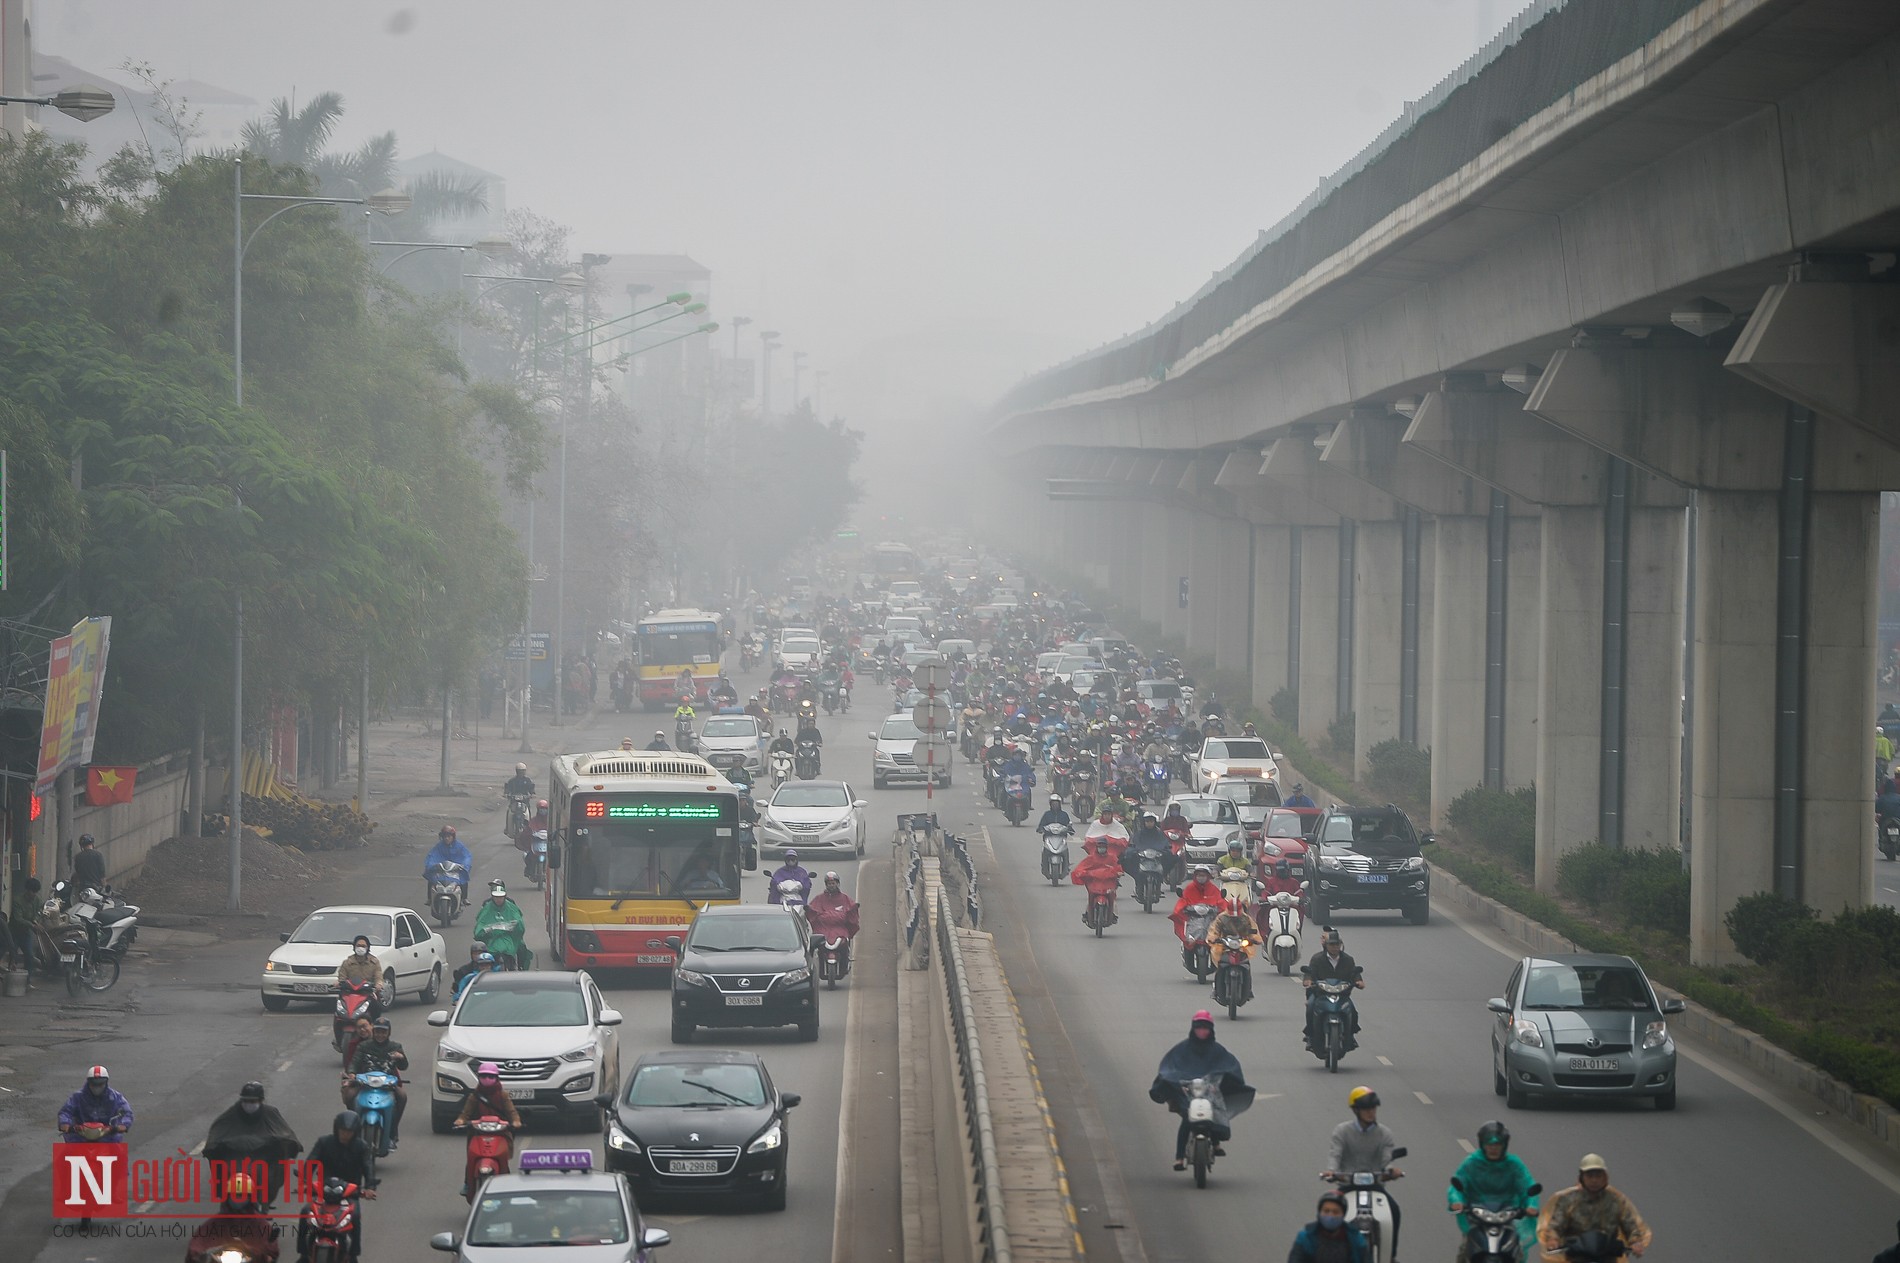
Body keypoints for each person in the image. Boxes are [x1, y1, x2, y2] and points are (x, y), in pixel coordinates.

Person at [1149, 1010, 1253, 1171]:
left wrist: (1218, 1083)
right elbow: (1169, 1069)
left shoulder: (1217, 1050)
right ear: (1193, 1029)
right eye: (1199, 1028)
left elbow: (1229, 1067)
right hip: (1188, 1094)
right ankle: (1179, 1158)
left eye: (1205, 1028)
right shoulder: (1182, 1049)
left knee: (1216, 1112)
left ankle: (1216, 1142)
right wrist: (1179, 1083)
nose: (1202, 1031)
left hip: (1210, 1094)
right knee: (1186, 1120)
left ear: (1211, 1030)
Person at [1324, 1087, 1403, 1258]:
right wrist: (1331, 1172)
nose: (1371, 1112)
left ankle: (1391, 1256)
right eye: (1366, 1109)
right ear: (1356, 1110)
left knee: (1394, 1211)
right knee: (1328, 1213)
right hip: (1347, 1185)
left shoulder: (1384, 1134)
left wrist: (1391, 1171)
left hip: (1375, 1186)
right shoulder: (1342, 1131)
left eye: (1373, 1108)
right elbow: (1335, 1154)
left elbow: (1386, 1159)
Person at [1536, 1153, 1651, 1261]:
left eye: (1598, 1176)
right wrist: (1553, 1240)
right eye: (1589, 1176)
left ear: (1605, 1177)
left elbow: (1630, 1224)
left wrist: (1635, 1242)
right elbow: (1556, 1224)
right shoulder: (1568, 1200)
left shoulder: (1616, 1200)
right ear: (1582, 1177)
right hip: (1577, 1256)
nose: (1594, 1180)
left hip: (1608, 1256)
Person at [204, 1081, 303, 1205]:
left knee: (271, 1173)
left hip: (262, 1157)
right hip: (236, 1158)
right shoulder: (231, 1114)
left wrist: (278, 1144)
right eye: (246, 1101)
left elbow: (285, 1134)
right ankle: (225, 1198)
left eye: (253, 1102)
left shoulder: (270, 1113)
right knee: (225, 1170)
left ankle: (264, 1203)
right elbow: (217, 1133)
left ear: (260, 1101)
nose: (248, 1105)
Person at [1447, 1121, 1539, 1252]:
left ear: (1504, 1145)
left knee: (1517, 1250)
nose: (1493, 1148)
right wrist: (1457, 1201)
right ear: (1483, 1145)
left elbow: (1528, 1186)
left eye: (1497, 1144)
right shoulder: (1472, 1163)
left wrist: (1531, 1206)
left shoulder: (1514, 1164)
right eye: (1489, 1144)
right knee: (1466, 1249)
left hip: (1507, 1214)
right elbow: (1456, 1186)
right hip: (1477, 1214)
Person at [302, 1112, 377, 1257]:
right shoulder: (324, 1142)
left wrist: (369, 1188)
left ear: (355, 1132)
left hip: (349, 1193)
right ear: (336, 1129)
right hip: (324, 1191)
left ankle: (354, 1254)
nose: (345, 1135)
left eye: (348, 1132)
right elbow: (311, 1162)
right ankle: (303, 1253)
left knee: (355, 1216)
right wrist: (304, 1181)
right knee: (306, 1212)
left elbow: (368, 1167)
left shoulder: (362, 1146)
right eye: (342, 1131)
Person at [453, 1063, 523, 1197]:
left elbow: (512, 1112)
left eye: (490, 1076)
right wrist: (461, 1120)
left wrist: (515, 1121)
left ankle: (505, 1181)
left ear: (496, 1078)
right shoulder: (474, 1096)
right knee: (472, 1158)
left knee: (503, 1159)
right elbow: (465, 1113)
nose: (487, 1079)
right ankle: (468, 1183)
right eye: (484, 1076)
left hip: (500, 1131)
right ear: (479, 1077)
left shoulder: (503, 1095)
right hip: (478, 1132)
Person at [343, 1018, 410, 1149]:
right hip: (365, 1084)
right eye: (378, 1031)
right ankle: (354, 1127)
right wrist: (351, 1073)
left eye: (383, 1032)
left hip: (388, 1086)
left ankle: (392, 1133)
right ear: (373, 1032)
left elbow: (404, 1066)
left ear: (388, 1033)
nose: (380, 1035)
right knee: (349, 1096)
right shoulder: (363, 1046)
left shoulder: (395, 1047)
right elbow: (354, 1062)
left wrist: (401, 1057)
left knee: (402, 1097)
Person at [1303, 928, 1362, 1042]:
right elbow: (1309, 973)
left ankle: (1350, 1035)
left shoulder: (1348, 960)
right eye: (1332, 944)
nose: (1335, 947)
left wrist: (1359, 981)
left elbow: (1354, 973)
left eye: (1337, 944)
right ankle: (1310, 1034)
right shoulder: (1317, 959)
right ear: (1326, 945)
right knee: (1310, 1007)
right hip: (1320, 994)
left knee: (1353, 1011)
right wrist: (1308, 981)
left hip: (1342, 994)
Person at [1288, 1191, 1371, 1263]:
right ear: (1319, 1213)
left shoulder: (1355, 1238)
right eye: (1326, 1211)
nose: (1330, 1216)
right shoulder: (1306, 1238)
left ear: (1343, 1215)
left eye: (1336, 1212)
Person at [58, 1065, 132, 1143]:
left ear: (106, 1082)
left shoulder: (115, 1097)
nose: (97, 1088)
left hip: (108, 1137)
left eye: (100, 1085)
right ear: (89, 1083)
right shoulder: (78, 1097)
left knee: (119, 1152)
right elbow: (66, 1111)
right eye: (93, 1085)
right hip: (80, 1137)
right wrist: (65, 1123)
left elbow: (126, 1112)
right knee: (65, 1153)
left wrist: (123, 1125)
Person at [474, 883, 532, 971]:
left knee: (522, 947)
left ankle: (521, 967)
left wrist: (514, 926)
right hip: (491, 939)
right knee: (477, 949)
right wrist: (486, 930)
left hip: (509, 937)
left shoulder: (511, 906)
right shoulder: (486, 907)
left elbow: (519, 921)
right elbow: (480, 923)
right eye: (496, 897)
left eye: (500, 897)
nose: (498, 899)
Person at [1170, 865, 1227, 951]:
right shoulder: (1189, 888)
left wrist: (1215, 909)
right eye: (1199, 875)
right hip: (1193, 918)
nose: (1201, 877)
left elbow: (1221, 903)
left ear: (1207, 876)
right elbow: (1182, 902)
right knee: (1187, 941)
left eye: (1203, 875)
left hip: (1210, 918)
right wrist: (1187, 909)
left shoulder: (1213, 889)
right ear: (1195, 876)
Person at [807, 872, 861, 953]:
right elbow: (812, 910)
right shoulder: (819, 898)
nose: (831, 885)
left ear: (837, 884)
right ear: (826, 885)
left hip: (840, 931)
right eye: (829, 883)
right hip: (823, 930)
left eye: (833, 883)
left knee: (844, 948)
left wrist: (853, 908)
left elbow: (852, 911)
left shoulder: (845, 898)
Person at [336, 935, 386, 1022]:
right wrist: (338, 983)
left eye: (363, 946)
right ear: (354, 947)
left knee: (377, 1008)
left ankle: (373, 1028)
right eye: (358, 945)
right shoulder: (347, 963)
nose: (360, 948)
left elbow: (378, 976)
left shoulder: (374, 962)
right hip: (349, 994)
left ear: (368, 948)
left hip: (367, 994)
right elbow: (342, 978)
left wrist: (379, 984)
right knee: (338, 1009)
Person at [423, 826, 473, 908]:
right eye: (445, 837)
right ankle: (429, 898)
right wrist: (431, 865)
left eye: (449, 836)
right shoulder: (439, 846)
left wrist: (464, 865)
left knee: (463, 879)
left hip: (455, 870)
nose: (447, 839)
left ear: (453, 837)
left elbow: (466, 856)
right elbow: (432, 856)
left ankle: (464, 898)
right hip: (441, 870)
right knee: (431, 879)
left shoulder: (459, 846)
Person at [7, 875, 41, 982]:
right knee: (13, 955)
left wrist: (35, 920)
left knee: (29, 956)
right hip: (14, 931)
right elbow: (18, 919)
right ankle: (11, 978)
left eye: (36, 892)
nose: (34, 894)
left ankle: (27, 980)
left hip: (26, 933)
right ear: (27, 890)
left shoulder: (37, 900)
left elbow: (37, 914)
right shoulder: (17, 900)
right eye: (32, 892)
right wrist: (32, 925)